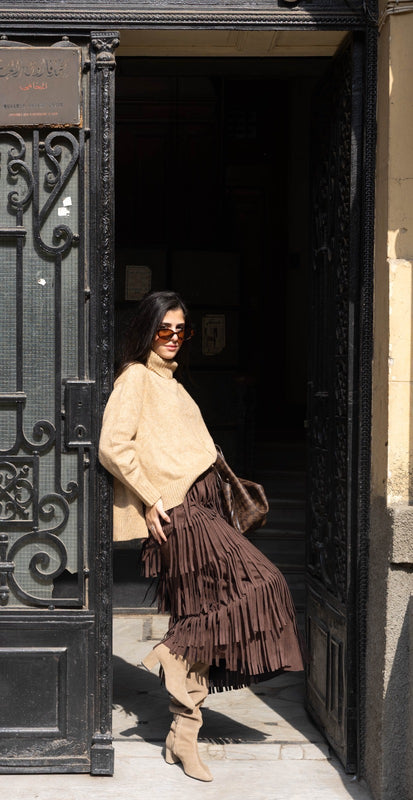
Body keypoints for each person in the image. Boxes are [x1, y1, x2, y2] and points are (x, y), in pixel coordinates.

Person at [99, 290, 304, 783]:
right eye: (164, 330)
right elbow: (112, 446)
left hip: (204, 509)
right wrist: (151, 498)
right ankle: (170, 659)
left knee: (199, 615)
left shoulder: (171, 383)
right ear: (147, 331)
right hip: (181, 515)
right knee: (264, 582)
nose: (172, 339)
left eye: (180, 331)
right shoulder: (135, 378)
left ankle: (182, 736)